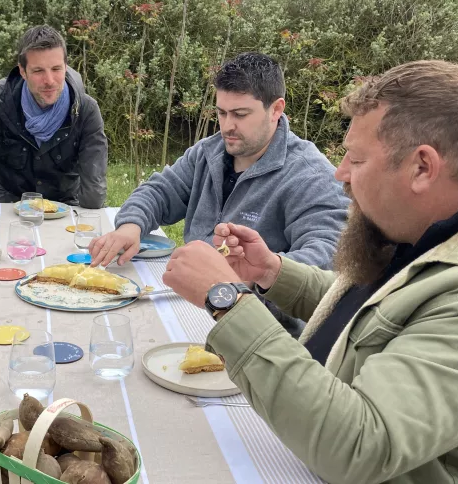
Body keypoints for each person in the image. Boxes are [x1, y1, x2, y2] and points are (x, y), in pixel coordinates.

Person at [163, 60, 458, 483]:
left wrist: (228, 300)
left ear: (422, 167)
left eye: (356, 158)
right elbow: (374, 314)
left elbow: (362, 447)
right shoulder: (422, 233)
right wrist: (273, 272)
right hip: (293, 437)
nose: (340, 173)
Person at [89, 52, 349, 337]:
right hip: (189, 306)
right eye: (221, 113)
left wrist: (257, 273)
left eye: (240, 114)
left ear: (276, 109)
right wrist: (131, 225)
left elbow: (327, 262)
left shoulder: (311, 176)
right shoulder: (208, 151)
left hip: (262, 333)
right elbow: (161, 190)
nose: (227, 126)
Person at [0, 25, 108, 218]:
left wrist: (92, 202)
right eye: (38, 71)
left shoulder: (87, 109)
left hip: (62, 204)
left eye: (56, 69)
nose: (49, 80)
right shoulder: (0, 96)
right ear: (23, 71)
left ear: (65, 67)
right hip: (4, 198)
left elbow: (94, 193)